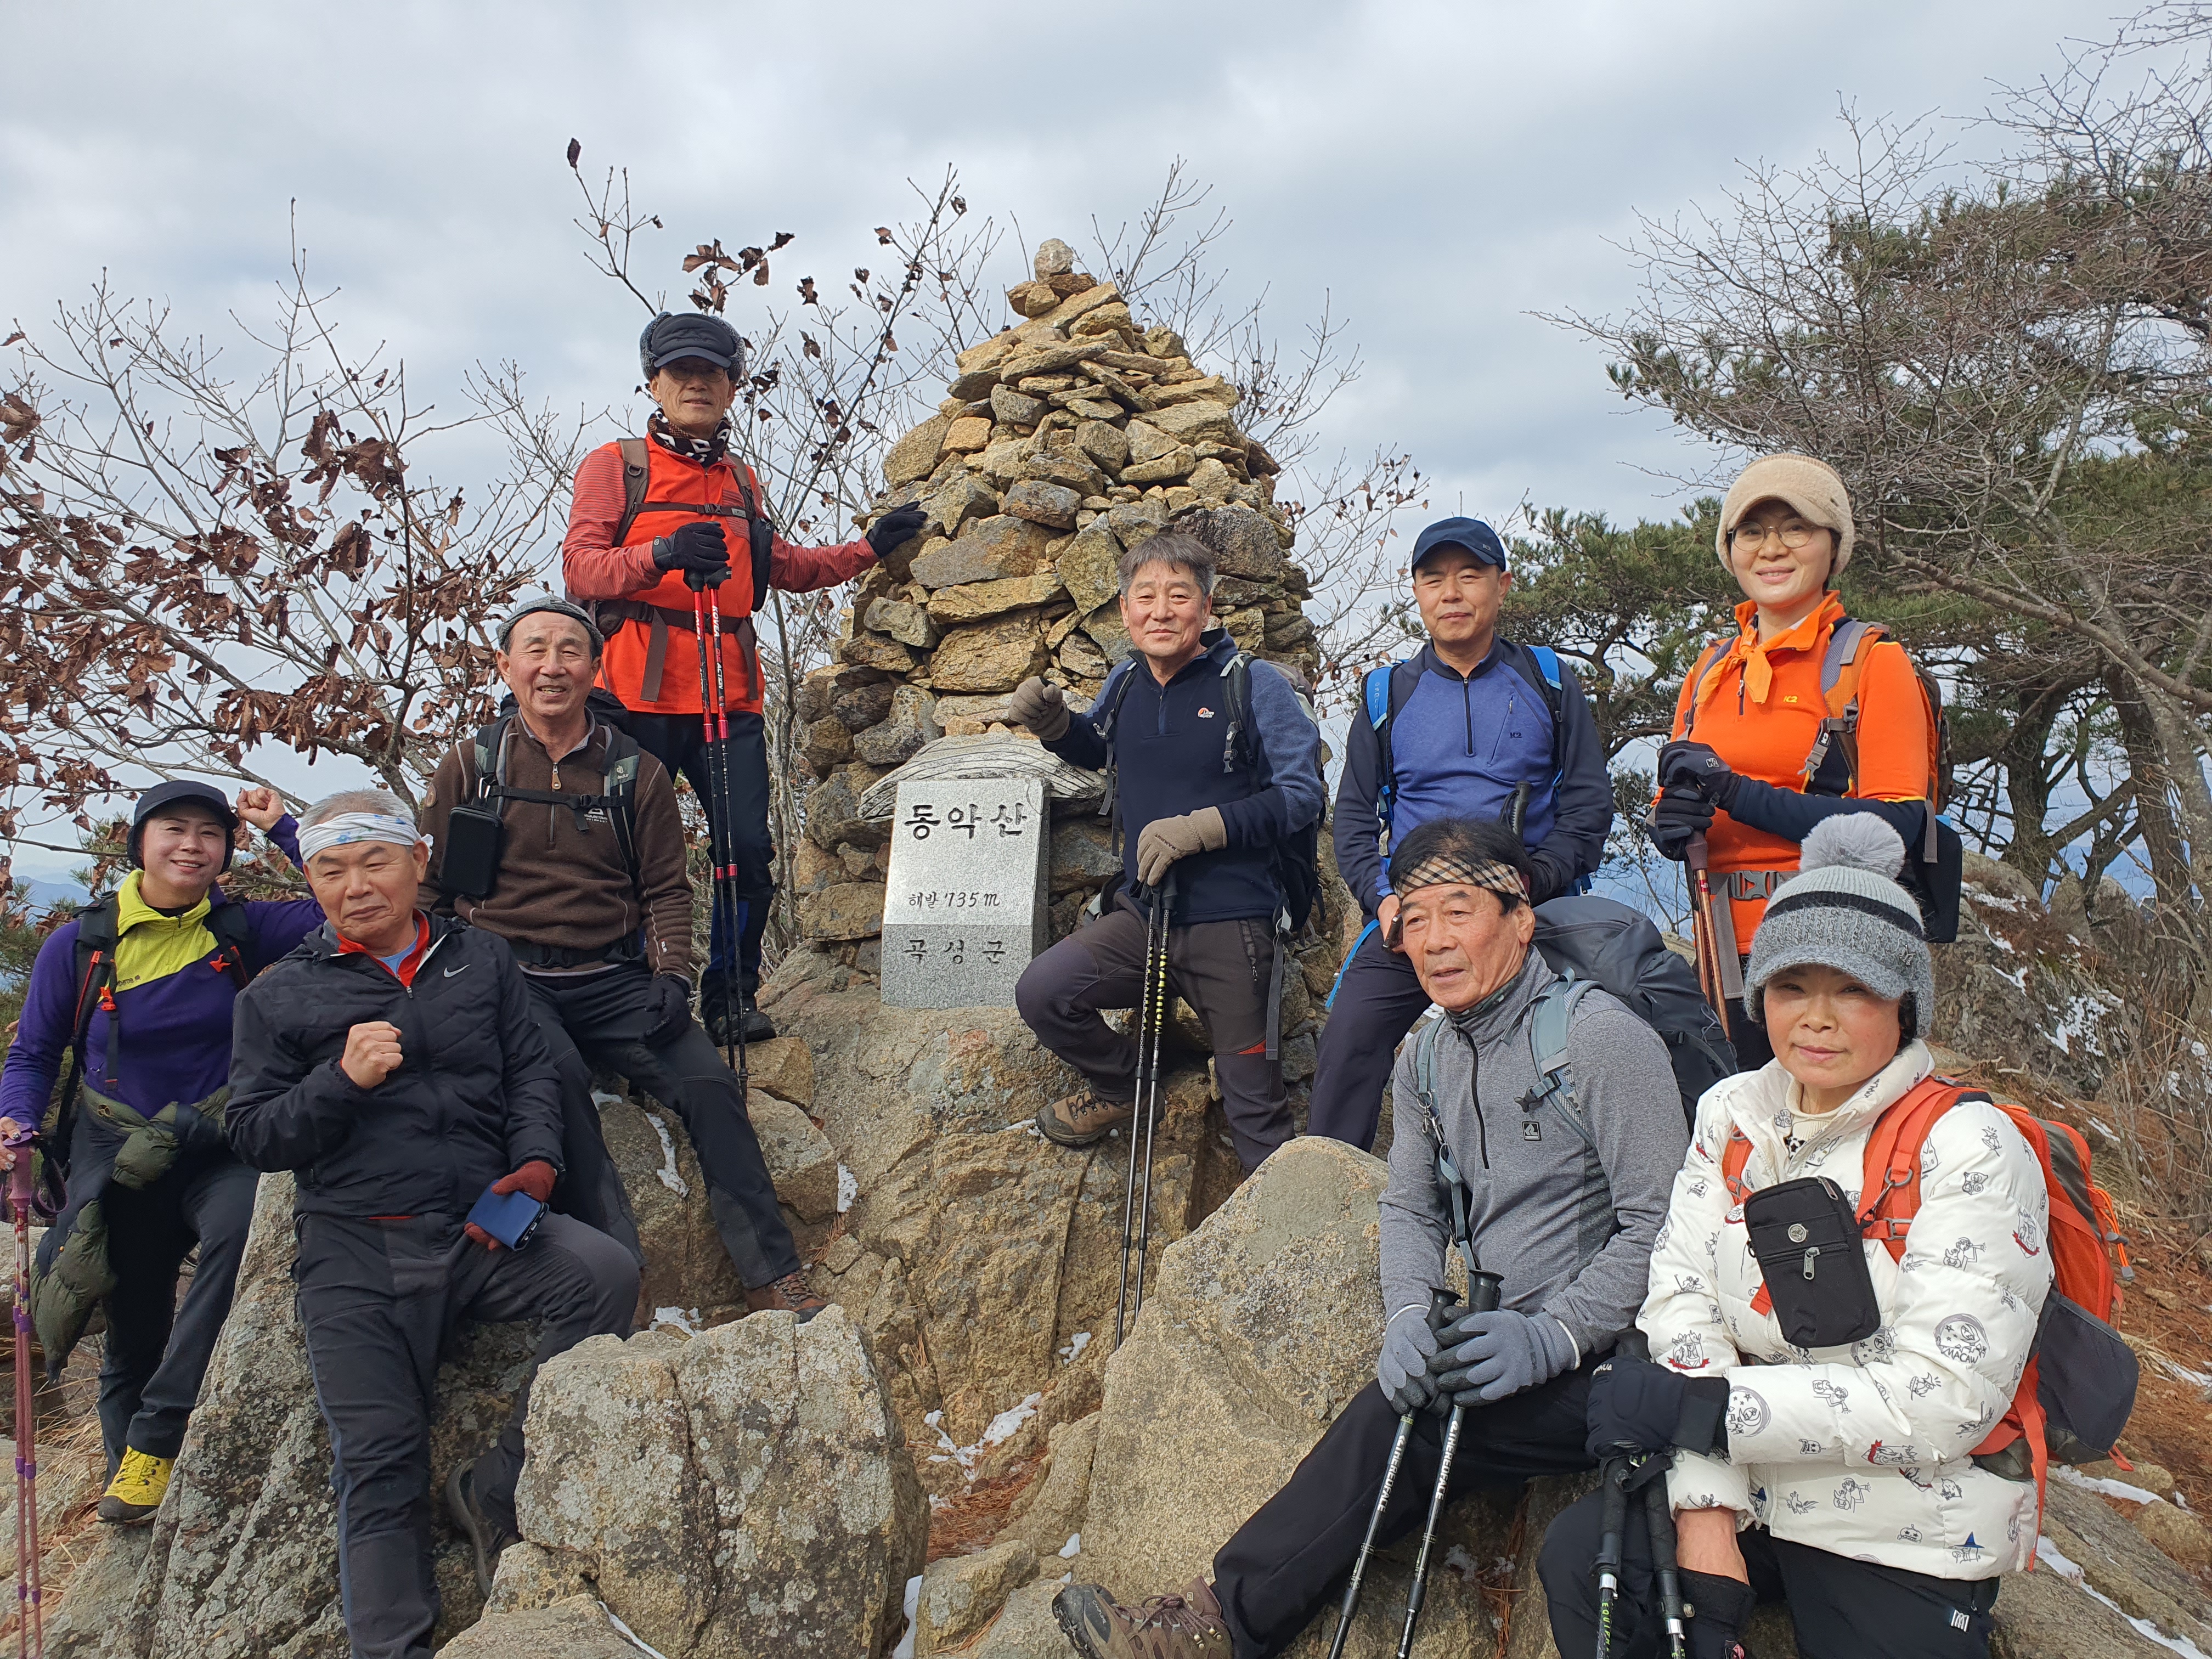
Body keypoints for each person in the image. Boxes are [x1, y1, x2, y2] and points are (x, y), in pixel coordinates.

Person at [1052, 817, 1689, 1658]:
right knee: (1412, 1393)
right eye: (1414, 918)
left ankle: (1217, 1627)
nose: (1435, 940)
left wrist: (1553, 1337)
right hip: (1504, 1334)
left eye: (1458, 912)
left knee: (1407, 1421)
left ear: (1520, 918)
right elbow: (1411, 1208)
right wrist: (1407, 1317)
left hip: (1622, 1359)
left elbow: (1666, 1225)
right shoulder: (1426, 1056)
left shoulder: (1596, 1038)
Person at [1539, 815, 2051, 1659]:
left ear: (1906, 1002)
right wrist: (1706, 1510)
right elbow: (1683, 1301)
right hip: (1750, 1487)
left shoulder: (1969, 1145)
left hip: (1905, 1521)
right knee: (1580, 1559)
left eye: (1853, 990)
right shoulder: (1732, 1114)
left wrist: (1704, 1413)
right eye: (1791, 986)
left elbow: (1943, 1398)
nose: (1816, 1019)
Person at [226, 789, 639, 1659]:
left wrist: (535, 1165)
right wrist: (340, 1081)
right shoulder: (281, 994)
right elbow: (255, 1135)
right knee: (380, 1459)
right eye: (331, 871)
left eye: (374, 861)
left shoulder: (477, 958)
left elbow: (530, 1069)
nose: (356, 886)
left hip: (482, 1229)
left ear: (418, 860)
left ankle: (495, 1483)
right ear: (309, 881)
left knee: (605, 1274)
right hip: (358, 1252)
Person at [415, 594, 825, 1319]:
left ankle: (772, 1271)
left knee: (709, 1085)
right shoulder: (471, 765)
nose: (552, 666)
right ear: (505, 667)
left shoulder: (635, 770)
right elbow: (430, 887)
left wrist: (671, 975)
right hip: (507, 976)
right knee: (559, 1083)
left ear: (596, 668)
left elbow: (665, 887)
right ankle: (617, 1277)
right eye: (535, 650)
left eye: (570, 651)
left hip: (612, 976)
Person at [561, 311, 927, 1048]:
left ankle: (732, 996)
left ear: (732, 387)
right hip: (633, 695)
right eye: (682, 372)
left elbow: (779, 565)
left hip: (728, 697)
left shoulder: (740, 479)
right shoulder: (618, 465)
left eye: (713, 372)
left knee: (746, 852)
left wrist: (866, 551)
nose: (697, 383)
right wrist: (662, 553)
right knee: (622, 853)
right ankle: (624, 999)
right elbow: (581, 568)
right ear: (654, 383)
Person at [0, 781, 319, 1524]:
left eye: (210, 834)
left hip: (221, 1144)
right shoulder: (82, 945)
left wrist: (285, 828)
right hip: (117, 1152)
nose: (192, 845)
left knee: (240, 1238)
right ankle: (130, 1478)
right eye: (174, 829)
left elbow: (347, 906)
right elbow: (35, 1053)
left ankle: (159, 1433)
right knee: (133, 1325)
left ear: (226, 852)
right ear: (139, 843)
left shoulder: (243, 928)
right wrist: (16, 1119)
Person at [1007, 531, 1324, 1175]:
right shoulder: (1127, 682)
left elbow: (1302, 796)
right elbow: (1101, 748)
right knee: (1044, 992)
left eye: (1179, 596)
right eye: (1145, 597)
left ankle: (1275, 1225)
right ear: (1125, 611)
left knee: (1254, 1109)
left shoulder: (1252, 685)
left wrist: (1205, 827)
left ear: (1206, 608)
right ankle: (1126, 1088)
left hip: (1233, 922)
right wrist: (1055, 727)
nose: (1161, 611)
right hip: (1143, 916)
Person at [1311, 514, 1613, 1149]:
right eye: (1434, 579)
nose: (1451, 593)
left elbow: (1588, 807)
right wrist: (1384, 902)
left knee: (1613, 1023)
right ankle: (1331, 1183)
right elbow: (1356, 819)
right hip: (1418, 911)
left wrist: (1532, 882)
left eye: (1470, 576)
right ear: (1417, 592)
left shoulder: (1548, 681)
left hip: (1532, 903)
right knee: (1350, 1038)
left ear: (1503, 585)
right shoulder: (1388, 693)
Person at [1650, 455, 1936, 1069]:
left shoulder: (1871, 660)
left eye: (1796, 527)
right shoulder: (1709, 670)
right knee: (1739, 1113)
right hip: (1720, 946)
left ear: (1834, 544)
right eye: (1752, 531)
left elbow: (1898, 823)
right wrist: (1669, 823)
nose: (1772, 548)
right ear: (1730, 549)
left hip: (1832, 947)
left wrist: (1734, 793)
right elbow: (1674, 803)